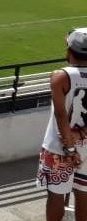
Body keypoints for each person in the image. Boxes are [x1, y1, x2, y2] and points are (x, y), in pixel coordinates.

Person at [37, 28, 87, 221]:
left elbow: (61, 115)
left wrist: (70, 147)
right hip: (86, 147)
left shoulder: (60, 76)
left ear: (69, 51)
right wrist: (81, 135)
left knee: (56, 195)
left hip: (59, 149)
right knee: (83, 195)